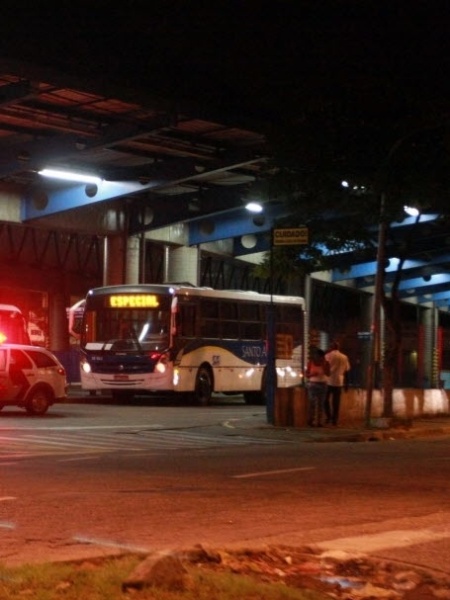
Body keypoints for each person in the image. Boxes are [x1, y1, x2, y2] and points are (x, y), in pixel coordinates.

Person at [325, 341, 351, 426]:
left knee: (325, 400)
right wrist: (346, 384)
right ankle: (334, 420)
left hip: (328, 380)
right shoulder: (344, 357)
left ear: (331, 347)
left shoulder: (328, 356)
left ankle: (328, 416)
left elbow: (325, 367)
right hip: (339, 381)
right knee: (336, 402)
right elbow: (347, 371)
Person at [305, 347, 329, 427]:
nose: (318, 358)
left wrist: (324, 366)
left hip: (323, 384)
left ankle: (319, 421)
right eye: (317, 356)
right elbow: (306, 374)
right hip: (313, 385)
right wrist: (312, 375)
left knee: (321, 404)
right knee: (312, 403)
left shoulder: (326, 363)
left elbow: (328, 374)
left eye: (320, 356)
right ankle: (310, 420)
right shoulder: (310, 363)